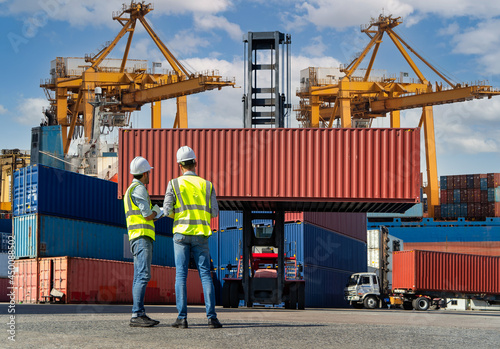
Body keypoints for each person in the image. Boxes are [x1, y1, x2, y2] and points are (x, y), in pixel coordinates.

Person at [164, 146, 222, 329]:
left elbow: (166, 211)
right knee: (205, 275)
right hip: (200, 236)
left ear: (179, 165)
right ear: (195, 163)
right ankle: (211, 318)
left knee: (181, 275)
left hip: (181, 234)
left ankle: (182, 318)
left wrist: (180, 216)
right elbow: (214, 212)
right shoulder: (207, 185)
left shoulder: (173, 184)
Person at [124, 156, 162, 327]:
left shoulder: (130, 189)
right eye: (149, 172)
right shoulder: (139, 189)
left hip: (136, 236)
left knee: (139, 275)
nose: (149, 175)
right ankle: (137, 314)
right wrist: (157, 211)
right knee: (143, 275)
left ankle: (138, 313)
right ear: (145, 173)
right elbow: (147, 215)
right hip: (141, 237)